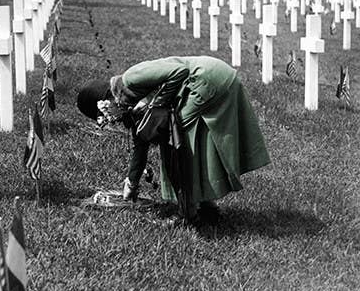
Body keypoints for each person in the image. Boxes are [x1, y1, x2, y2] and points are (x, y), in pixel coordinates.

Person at [77, 55, 270, 224]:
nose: (113, 119)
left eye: (106, 114)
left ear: (107, 99)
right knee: (181, 136)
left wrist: (155, 103)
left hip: (210, 77)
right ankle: (204, 204)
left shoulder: (131, 78)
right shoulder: (129, 106)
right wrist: (131, 184)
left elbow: (179, 70)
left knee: (174, 140)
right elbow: (140, 144)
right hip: (208, 81)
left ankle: (187, 214)